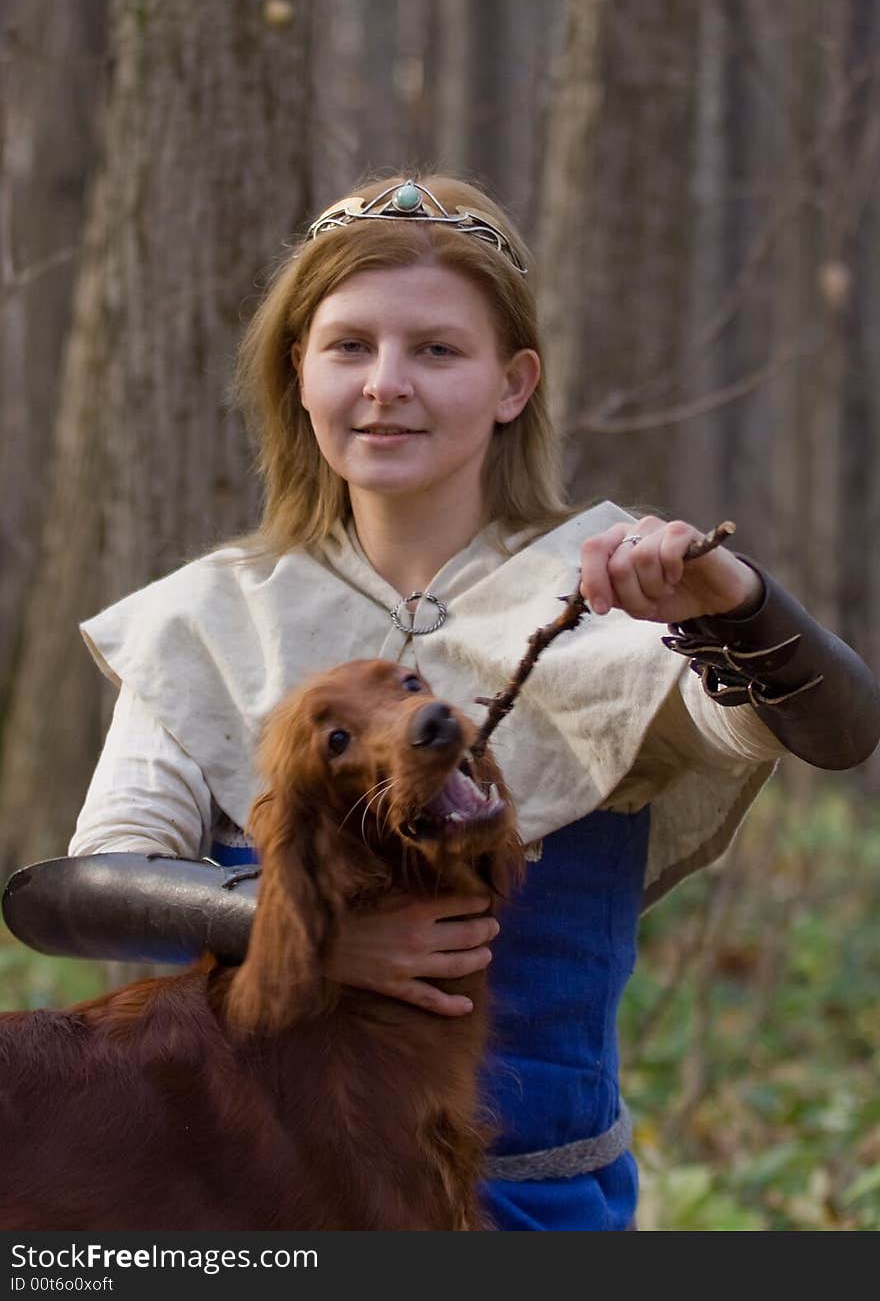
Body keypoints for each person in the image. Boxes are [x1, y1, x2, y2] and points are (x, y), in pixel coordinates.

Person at [62, 173, 879, 1230]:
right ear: (297, 372)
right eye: (348, 345)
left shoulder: (619, 594)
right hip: (255, 1198)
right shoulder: (207, 621)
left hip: (534, 1204)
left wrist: (736, 597)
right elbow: (80, 888)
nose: (384, 383)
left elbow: (837, 730)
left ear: (512, 383)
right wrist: (300, 933)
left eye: (436, 350)